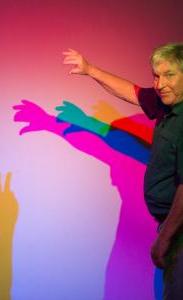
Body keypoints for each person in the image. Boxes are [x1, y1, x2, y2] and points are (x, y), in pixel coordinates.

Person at [63, 42, 183, 299]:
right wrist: (90, 70)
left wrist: (165, 239)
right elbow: (133, 91)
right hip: (171, 230)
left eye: (169, 75)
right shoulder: (168, 103)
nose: (160, 84)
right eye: (156, 75)